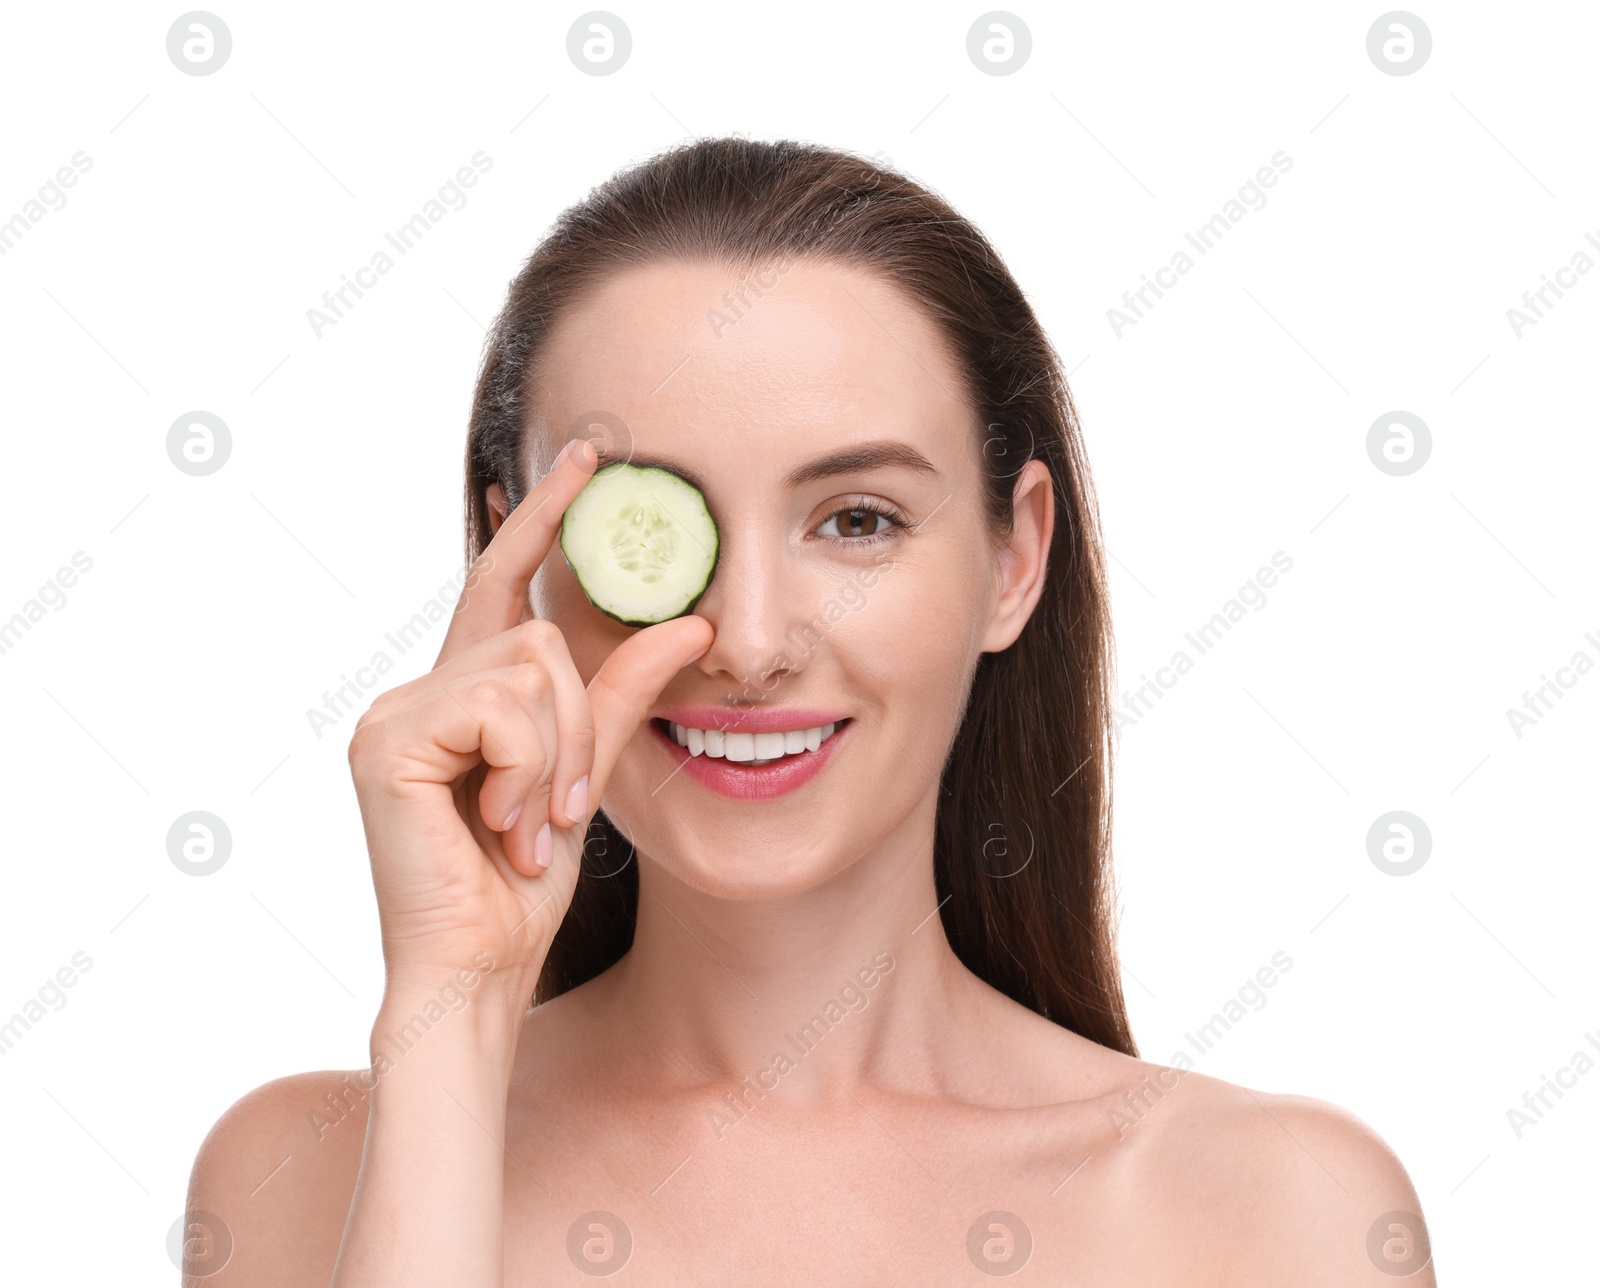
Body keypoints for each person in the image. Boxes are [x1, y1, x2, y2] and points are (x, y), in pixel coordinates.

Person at [184, 137, 1433, 1284]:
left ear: (1013, 558)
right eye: (653, 526)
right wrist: (451, 1019)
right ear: (517, 553)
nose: (751, 642)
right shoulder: (299, 1178)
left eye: (858, 522)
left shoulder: (1279, 1214)